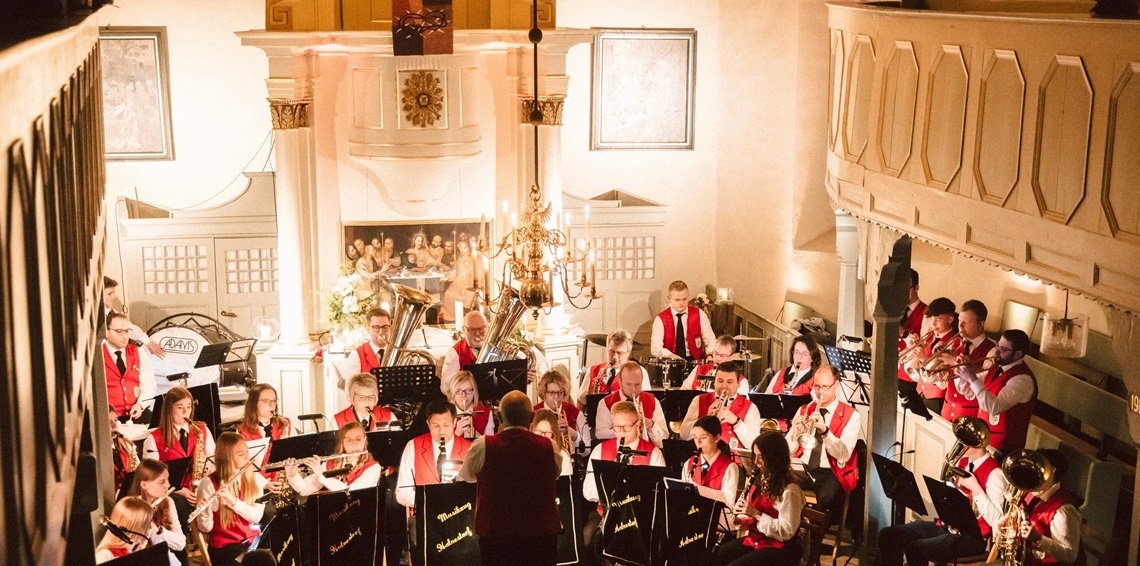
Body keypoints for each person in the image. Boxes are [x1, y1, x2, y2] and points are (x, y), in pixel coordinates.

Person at [878, 418, 1007, 566]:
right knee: (888, 535)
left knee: (915, 548)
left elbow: (997, 520)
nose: (959, 443)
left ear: (976, 443)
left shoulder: (995, 474)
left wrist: (976, 489)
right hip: (947, 527)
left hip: (972, 538)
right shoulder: (962, 462)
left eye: (964, 440)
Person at [457, 391, 562, 566]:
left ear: (499, 416)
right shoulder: (548, 446)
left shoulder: (483, 445)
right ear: (531, 417)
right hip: (540, 534)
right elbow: (555, 474)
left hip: (496, 535)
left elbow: (467, 476)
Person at [785, 365, 861, 561]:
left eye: (825, 387)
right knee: (781, 488)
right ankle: (787, 544)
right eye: (817, 386)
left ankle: (810, 554)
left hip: (832, 471)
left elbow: (843, 454)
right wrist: (795, 434)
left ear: (837, 385)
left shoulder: (851, 415)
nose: (820, 392)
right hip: (804, 467)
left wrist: (826, 431)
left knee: (824, 502)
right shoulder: (804, 409)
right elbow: (788, 451)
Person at [581, 400, 665, 563]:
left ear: (637, 423)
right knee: (587, 541)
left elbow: (659, 494)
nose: (621, 432)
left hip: (639, 516)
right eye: (617, 427)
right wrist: (609, 492)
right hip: (605, 512)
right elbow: (587, 489)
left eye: (626, 427)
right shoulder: (600, 450)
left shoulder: (653, 453)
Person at [716, 432, 805, 566]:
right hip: (759, 540)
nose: (756, 462)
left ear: (775, 458)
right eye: (755, 456)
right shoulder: (762, 479)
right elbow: (756, 520)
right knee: (717, 555)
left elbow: (786, 532)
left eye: (761, 457)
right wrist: (740, 520)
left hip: (782, 549)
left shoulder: (790, 489)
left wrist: (756, 514)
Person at [195, 432, 275, 566]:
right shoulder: (208, 483)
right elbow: (205, 528)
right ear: (227, 458)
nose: (247, 457)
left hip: (253, 542)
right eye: (240, 454)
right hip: (225, 548)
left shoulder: (253, 479)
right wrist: (205, 514)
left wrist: (233, 501)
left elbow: (255, 517)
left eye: (246, 452)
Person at [955, 329, 1037, 455]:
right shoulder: (996, 368)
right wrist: (964, 372)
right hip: (983, 442)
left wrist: (971, 377)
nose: (997, 351)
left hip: (1002, 449)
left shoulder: (1022, 379)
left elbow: (995, 407)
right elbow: (968, 391)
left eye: (1004, 349)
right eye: (998, 345)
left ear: (1018, 354)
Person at [143, 386, 215, 508]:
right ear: (169, 409)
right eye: (180, 407)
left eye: (189, 407)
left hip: (202, 488)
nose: (185, 412)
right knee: (179, 504)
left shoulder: (202, 430)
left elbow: (213, 461)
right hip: (172, 493)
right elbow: (151, 475)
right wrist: (179, 490)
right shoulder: (153, 438)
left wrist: (204, 486)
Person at [395, 399, 472, 506]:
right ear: (428, 424)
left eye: (446, 425)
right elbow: (402, 493)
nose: (441, 431)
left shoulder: (469, 449)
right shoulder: (413, 446)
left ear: (455, 422)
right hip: (425, 515)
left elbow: (476, 491)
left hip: (459, 515)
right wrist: (434, 501)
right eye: (436, 426)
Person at [1012, 449, 1082, 565]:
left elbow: (1070, 554)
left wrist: (1038, 539)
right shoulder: (1033, 490)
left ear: (1052, 471)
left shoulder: (1064, 510)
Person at [680, 363, 763, 452]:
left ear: (738, 383)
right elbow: (684, 435)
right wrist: (704, 419)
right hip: (703, 460)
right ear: (714, 382)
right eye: (720, 381)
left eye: (729, 382)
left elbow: (754, 444)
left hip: (734, 462)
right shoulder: (698, 400)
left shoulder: (750, 407)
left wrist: (736, 422)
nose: (724, 386)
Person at [285, 421, 381, 495]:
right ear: (342, 442)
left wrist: (322, 474)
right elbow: (305, 489)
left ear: (365, 440)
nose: (354, 444)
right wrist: (292, 475)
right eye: (348, 440)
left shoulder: (373, 468)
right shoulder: (331, 463)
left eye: (358, 439)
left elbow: (350, 493)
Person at [938, 300, 996, 421]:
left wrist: (955, 363)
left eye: (966, 322)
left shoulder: (992, 352)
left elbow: (981, 386)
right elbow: (942, 383)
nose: (960, 326)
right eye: (959, 321)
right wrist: (938, 364)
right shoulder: (955, 344)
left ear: (980, 325)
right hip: (946, 413)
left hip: (970, 419)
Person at [125, 458, 188, 566]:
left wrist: (158, 530)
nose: (168, 485)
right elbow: (130, 550)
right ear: (144, 485)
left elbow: (180, 543)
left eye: (167, 480)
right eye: (161, 482)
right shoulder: (132, 509)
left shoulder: (168, 502)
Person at [594, 361, 668, 446]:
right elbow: (600, 434)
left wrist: (651, 425)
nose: (633, 389)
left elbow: (664, 439)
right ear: (620, 381)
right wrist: (626, 429)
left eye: (637, 384)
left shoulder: (653, 401)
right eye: (628, 384)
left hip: (647, 454)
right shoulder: (605, 403)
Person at [904, 297, 957, 414]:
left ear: (950, 319)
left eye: (938, 319)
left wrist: (923, 358)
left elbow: (942, 381)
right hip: (918, 393)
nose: (933, 324)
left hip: (935, 400)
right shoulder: (929, 337)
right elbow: (916, 376)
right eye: (931, 319)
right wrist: (913, 350)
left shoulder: (954, 342)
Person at [104, 313, 157, 424]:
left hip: (137, 415)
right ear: (106, 332)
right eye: (119, 331)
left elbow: (149, 385)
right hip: (107, 419)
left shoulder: (139, 352)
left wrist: (140, 405)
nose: (125, 336)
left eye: (127, 331)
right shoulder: (97, 355)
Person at [577, 329, 650, 409]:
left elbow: (645, 403)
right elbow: (581, 401)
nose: (614, 357)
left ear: (628, 353)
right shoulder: (593, 370)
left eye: (619, 353)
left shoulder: (639, 372)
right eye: (611, 351)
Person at [681, 415, 739, 508]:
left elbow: (729, 503)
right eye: (695, 437)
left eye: (703, 437)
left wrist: (699, 490)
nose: (698, 442)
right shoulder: (689, 463)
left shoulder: (729, 467)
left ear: (717, 438)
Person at [650, 280, 715, 360]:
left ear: (688, 296)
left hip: (695, 361)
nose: (681, 303)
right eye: (677, 300)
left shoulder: (699, 314)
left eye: (684, 299)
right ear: (669, 298)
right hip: (671, 361)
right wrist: (672, 356)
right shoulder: (660, 319)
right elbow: (655, 348)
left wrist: (710, 355)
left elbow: (711, 339)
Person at [103, 276, 166, 358]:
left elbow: (130, 327)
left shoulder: (110, 310)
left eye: (113, 293)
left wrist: (148, 343)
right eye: (109, 294)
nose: (114, 296)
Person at [236, 383, 291, 473]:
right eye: (266, 401)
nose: (272, 405)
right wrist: (265, 483)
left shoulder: (285, 424)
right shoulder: (241, 430)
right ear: (254, 403)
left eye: (274, 401)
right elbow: (241, 466)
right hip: (255, 483)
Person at [534, 370, 588, 453]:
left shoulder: (576, 413)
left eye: (560, 392)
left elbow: (587, 451)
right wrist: (553, 431)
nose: (556, 397)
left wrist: (574, 435)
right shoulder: (533, 413)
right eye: (552, 393)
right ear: (544, 393)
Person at [440, 310, 489, 393]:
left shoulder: (494, 347)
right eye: (472, 330)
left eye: (481, 329)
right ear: (464, 329)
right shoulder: (455, 353)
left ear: (487, 327)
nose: (477, 334)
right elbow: (446, 387)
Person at [682, 335, 749, 393]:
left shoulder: (741, 382)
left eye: (722, 355)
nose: (718, 359)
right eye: (716, 353)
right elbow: (683, 393)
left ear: (732, 357)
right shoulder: (698, 369)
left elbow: (740, 405)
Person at [95, 496, 153, 563]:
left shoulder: (130, 552)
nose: (150, 528)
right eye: (147, 525)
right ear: (136, 527)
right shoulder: (104, 556)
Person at [897, 269, 926, 393]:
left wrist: (904, 333)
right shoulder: (896, 310)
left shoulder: (927, 313)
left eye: (906, 288)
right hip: (892, 373)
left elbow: (925, 343)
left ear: (916, 288)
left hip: (909, 377)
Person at [448, 370, 496, 438]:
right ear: (453, 393)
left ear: (474, 392)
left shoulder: (486, 413)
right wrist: (457, 434)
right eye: (458, 391)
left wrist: (477, 436)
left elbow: (490, 446)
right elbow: (440, 447)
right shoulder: (445, 414)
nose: (464, 395)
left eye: (468, 390)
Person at [441, 240, 480, 323]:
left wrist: (469, 266)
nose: (465, 249)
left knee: (466, 296)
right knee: (449, 293)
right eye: (463, 248)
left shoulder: (473, 258)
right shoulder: (461, 259)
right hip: (459, 282)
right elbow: (457, 272)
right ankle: (454, 317)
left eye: (466, 247)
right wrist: (447, 278)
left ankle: (466, 318)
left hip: (470, 283)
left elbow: (477, 272)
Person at [531, 408, 573, 476]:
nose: (542, 436)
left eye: (547, 432)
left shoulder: (562, 455)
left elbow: (564, 484)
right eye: (538, 431)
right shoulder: (525, 452)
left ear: (553, 434)